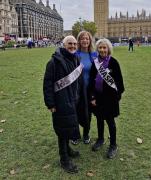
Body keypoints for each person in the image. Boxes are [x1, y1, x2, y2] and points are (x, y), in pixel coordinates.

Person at [43, 35, 87, 173]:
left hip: (73, 100)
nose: (73, 46)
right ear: (63, 45)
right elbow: (47, 83)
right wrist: (50, 103)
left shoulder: (76, 59)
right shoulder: (54, 62)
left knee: (69, 126)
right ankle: (64, 159)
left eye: (74, 44)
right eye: (70, 44)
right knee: (62, 130)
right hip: (60, 102)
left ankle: (67, 149)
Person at [89, 38, 125, 159]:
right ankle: (100, 139)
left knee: (110, 122)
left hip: (110, 99)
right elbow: (91, 81)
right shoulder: (95, 63)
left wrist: (117, 97)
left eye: (105, 47)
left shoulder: (114, 62)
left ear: (108, 49)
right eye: (100, 47)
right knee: (99, 120)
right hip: (98, 98)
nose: (102, 50)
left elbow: (119, 82)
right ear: (97, 49)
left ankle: (113, 145)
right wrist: (92, 96)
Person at [71, 31, 97, 145]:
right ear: (79, 41)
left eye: (87, 38)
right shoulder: (74, 55)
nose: (85, 41)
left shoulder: (94, 55)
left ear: (90, 40)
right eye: (82, 39)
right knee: (75, 112)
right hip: (77, 90)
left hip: (90, 90)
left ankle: (86, 134)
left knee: (88, 113)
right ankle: (75, 135)